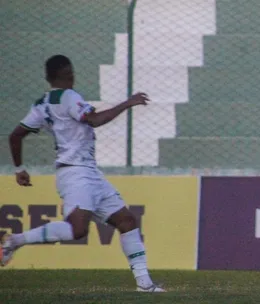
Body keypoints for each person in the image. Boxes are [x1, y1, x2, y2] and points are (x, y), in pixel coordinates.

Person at [1, 54, 164, 292]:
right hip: (76, 173)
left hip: (88, 172)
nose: (73, 75)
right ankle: (14, 241)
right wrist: (128, 102)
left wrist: (19, 169)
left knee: (127, 221)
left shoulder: (41, 104)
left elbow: (16, 135)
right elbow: (94, 119)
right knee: (77, 229)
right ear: (68, 73)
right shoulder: (69, 96)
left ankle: (145, 285)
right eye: (71, 72)